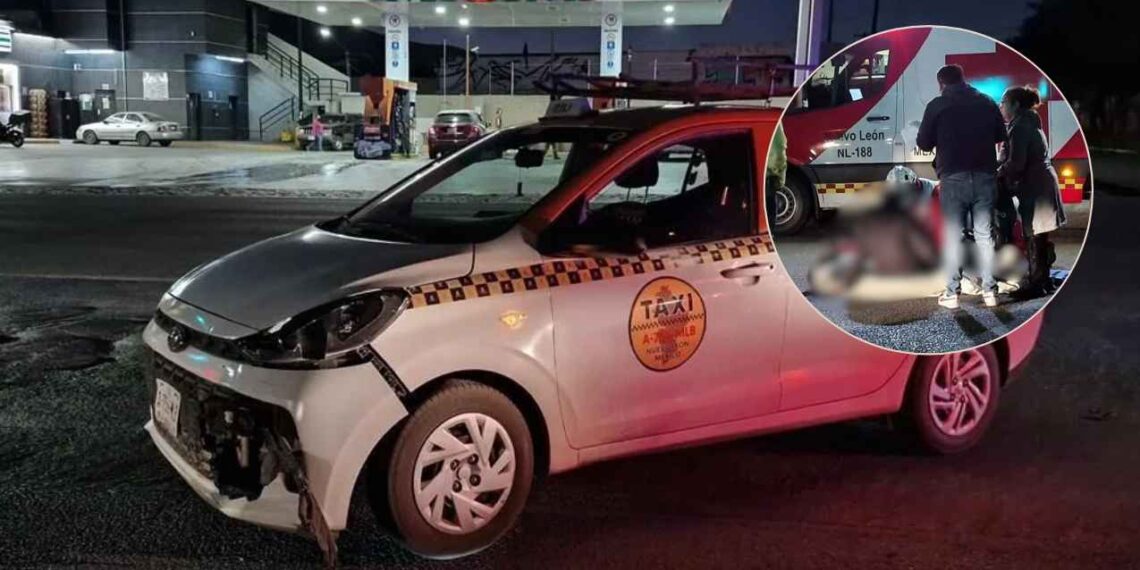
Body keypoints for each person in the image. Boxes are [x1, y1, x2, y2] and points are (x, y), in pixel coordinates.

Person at [916, 64, 1008, 309]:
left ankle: (952, 294)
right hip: (985, 177)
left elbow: (923, 143)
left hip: (953, 177)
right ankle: (990, 292)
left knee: (953, 237)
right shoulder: (987, 102)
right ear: (963, 78)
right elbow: (1002, 136)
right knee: (985, 236)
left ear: (941, 83)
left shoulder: (936, 105)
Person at [997, 86, 1066, 298]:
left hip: (1035, 185)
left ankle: (1036, 284)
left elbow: (1016, 163)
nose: (1001, 107)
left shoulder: (1020, 127)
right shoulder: (1029, 121)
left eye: (1004, 102)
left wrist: (996, 172)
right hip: (1041, 182)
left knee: (1034, 234)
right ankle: (1042, 281)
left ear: (1015, 104)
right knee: (1039, 235)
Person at [765, 123, 787, 229]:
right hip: (768, 175)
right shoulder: (774, 123)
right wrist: (780, 177)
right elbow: (780, 148)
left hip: (763, 176)